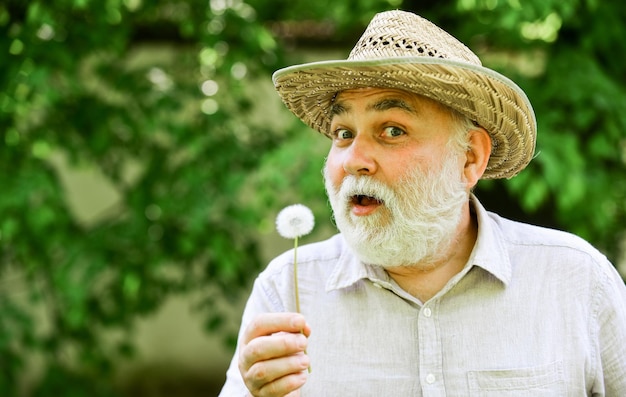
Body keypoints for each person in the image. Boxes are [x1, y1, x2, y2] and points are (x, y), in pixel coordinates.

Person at [219, 10, 626, 396]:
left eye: (393, 130)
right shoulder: (286, 292)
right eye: (343, 133)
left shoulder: (576, 281)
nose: (354, 159)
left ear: (470, 157)